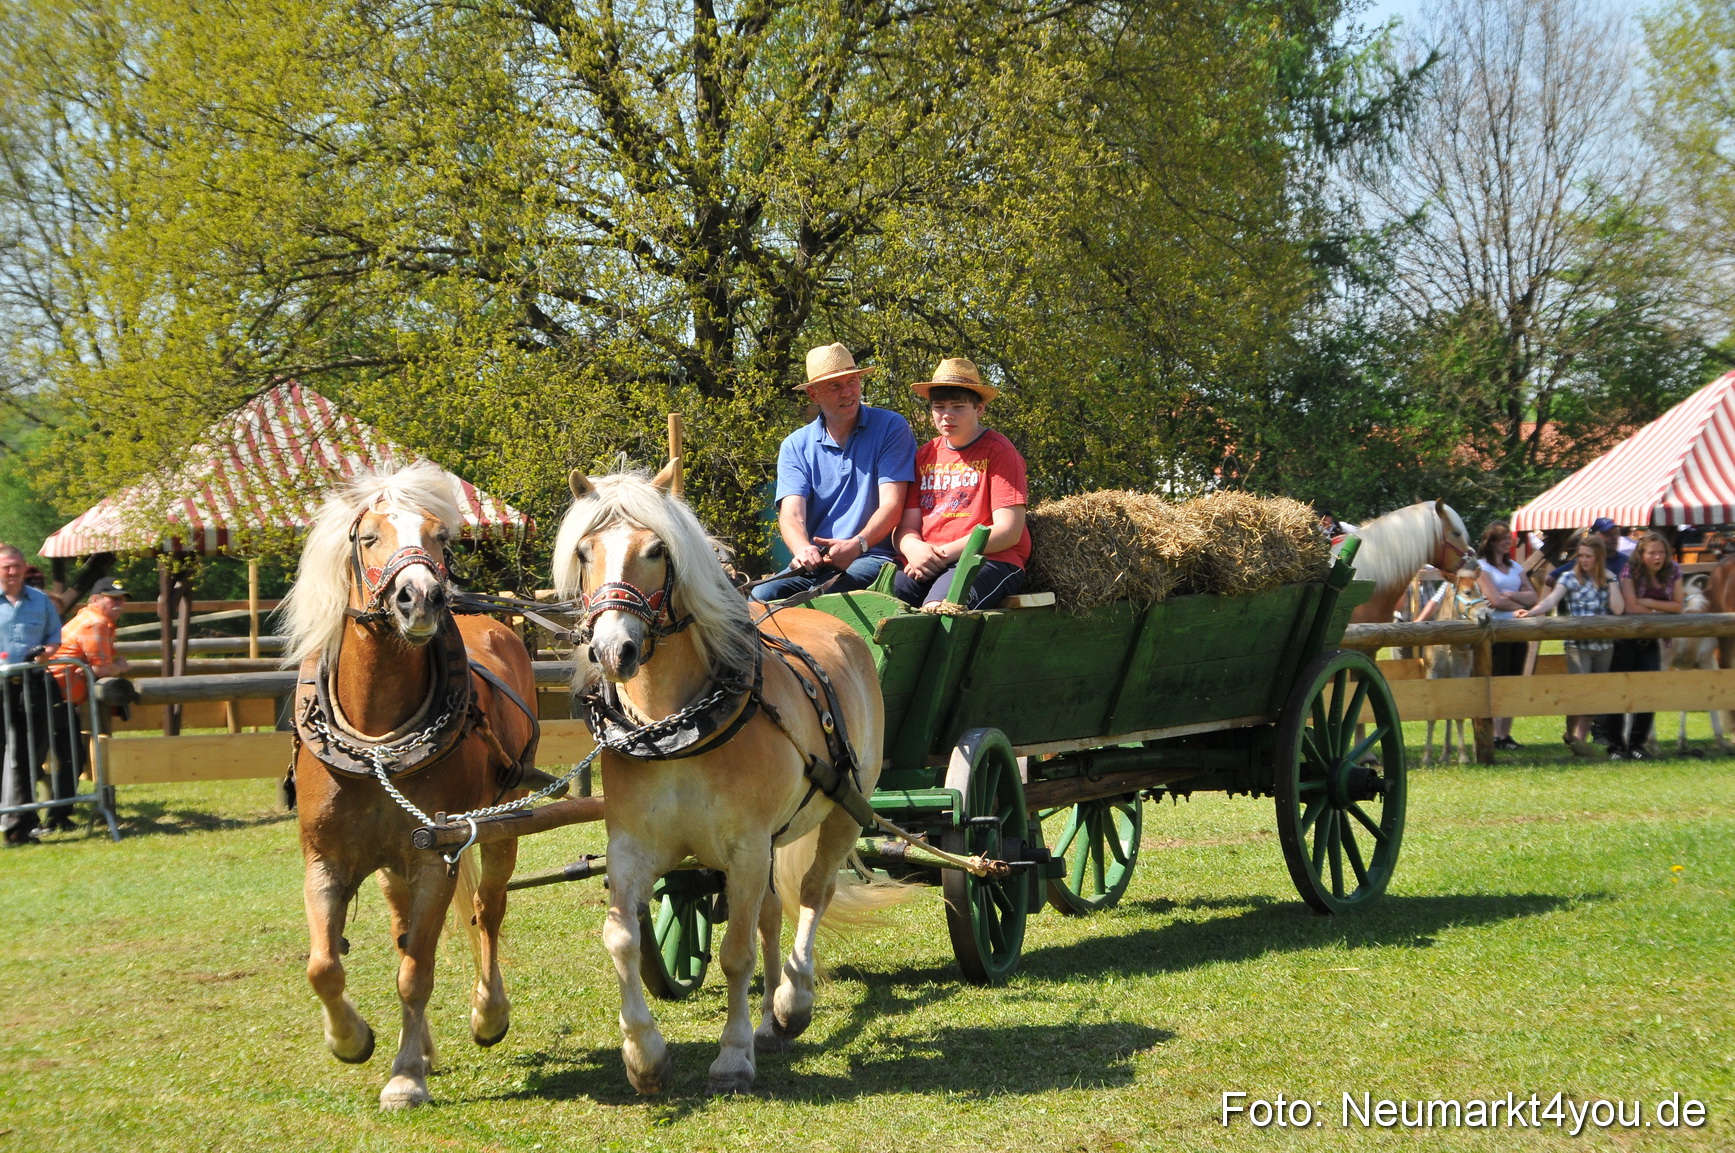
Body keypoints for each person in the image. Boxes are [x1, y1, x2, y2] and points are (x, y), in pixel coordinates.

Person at [753, 343, 918, 602]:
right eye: (834, 386)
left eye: (852, 381)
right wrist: (802, 549)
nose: (847, 392)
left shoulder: (890, 427)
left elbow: (892, 504)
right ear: (813, 394)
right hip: (818, 562)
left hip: (871, 556)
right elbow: (791, 514)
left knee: (820, 597)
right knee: (760, 595)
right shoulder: (796, 445)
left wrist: (859, 544)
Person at [892, 358, 1031, 610]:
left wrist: (940, 555)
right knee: (879, 602)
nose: (947, 415)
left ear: (979, 409)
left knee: (940, 607)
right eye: (939, 407)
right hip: (928, 560)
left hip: (988, 559)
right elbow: (906, 526)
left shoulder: (999, 452)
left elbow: (1008, 530)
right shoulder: (924, 455)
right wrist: (913, 549)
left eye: (958, 407)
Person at [1517, 533, 1624, 758]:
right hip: (1578, 645)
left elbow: (1618, 609)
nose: (1584, 560)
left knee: (1595, 695)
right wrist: (1532, 612)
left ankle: (1579, 741)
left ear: (1599, 558)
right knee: (1579, 692)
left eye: (1589, 556)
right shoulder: (1569, 578)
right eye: (1581, 556)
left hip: (1604, 645)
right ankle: (1569, 733)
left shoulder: (1609, 577)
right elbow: (1551, 600)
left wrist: (1612, 580)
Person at [44, 577, 132, 830]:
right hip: (55, 698)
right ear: (95, 600)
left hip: (56, 697)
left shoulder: (91, 619)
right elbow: (102, 668)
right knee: (69, 755)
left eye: (122, 599)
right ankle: (52, 817)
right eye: (112, 598)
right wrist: (120, 667)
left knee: (60, 755)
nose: (119, 604)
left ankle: (53, 817)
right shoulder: (95, 623)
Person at [0, 544, 64, 845]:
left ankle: (19, 826)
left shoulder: (40, 601)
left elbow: (54, 636)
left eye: (16, 565)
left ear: (25, 567)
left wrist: (46, 654)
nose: (11, 572)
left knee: (25, 757)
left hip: (30, 685)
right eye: (5, 566)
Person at [1603, 532, 1683, 760]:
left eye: (1662, 552)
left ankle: (1638, 744)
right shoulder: (1630, 571)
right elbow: (1630, 608)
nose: (1658, 557)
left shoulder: (1674, 570)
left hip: (1651, 640)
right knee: (1621, 691)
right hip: (1625, 640)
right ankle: (1616, 745)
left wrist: (1648, 603)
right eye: (1652, 552)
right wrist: (1660, 610)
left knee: (1649, 691)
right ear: (1642, 554)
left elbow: (1678, 606)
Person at [1476, 521, 1537, 751]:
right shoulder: (1481, 568)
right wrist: (1515, 606)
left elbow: (1533, 597)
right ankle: (1492, 734)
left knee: (1513, 681)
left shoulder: (1516, 568)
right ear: (1490, 542)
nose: (1507, 542)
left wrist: (1510, 594)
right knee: (1497, 680)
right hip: (1495, 632)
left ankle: (1505, 735)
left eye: (1508, 538)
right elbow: (1494, 599)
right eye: (1502, 538)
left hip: (1518, 630)